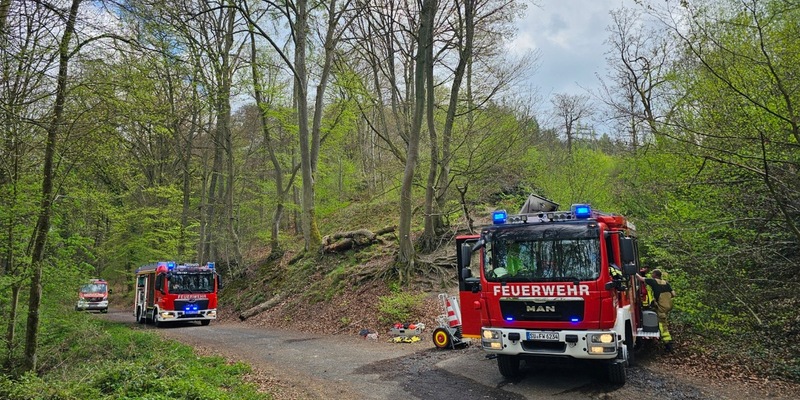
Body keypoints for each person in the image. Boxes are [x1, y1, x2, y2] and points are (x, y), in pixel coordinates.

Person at [636, 268, 676, 352]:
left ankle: (668, 344)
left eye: (652, 274)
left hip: (661, 308)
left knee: (663, 326)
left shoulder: (653, 281)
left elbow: (640, 279)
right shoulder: (666, 283)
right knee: (663, 322)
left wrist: (633, 272)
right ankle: (664, 342)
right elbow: (673, 294)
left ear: (655, 275)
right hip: (667, 307)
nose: (651, 275)